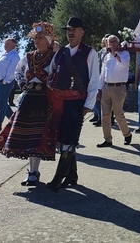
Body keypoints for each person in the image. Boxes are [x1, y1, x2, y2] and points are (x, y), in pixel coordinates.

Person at [0, 22, 59, 187]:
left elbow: (59, 74)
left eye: (41, 37)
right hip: (29, 98)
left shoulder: (56, 57)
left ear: (49, 40)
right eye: (36, 37)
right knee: (27, 136)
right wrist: (23, 84)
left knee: (38, 136)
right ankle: (32, 172)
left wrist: (49, 82)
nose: (37, 40)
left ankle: (37, 172)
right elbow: (18, 71)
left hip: (45, 99)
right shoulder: (28, 57)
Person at [46, 17, 100, 191]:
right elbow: (51, 73)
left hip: (77, 103)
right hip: (60, 103)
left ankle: (59, 176)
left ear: (82, 32)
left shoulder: (90, 53)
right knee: (64, 138)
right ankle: (72, 175)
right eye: (68, 29)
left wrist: (88, 105)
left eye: (74, 29)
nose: (70, 32)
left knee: (69, 139)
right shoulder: (60, 52)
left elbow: (94, 81)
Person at [96, 34, 133, 147]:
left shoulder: (124, 54)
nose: (112, 44)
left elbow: (124, 64)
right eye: (109, 42)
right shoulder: (106, 56)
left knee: (118, 114)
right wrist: (99, 88)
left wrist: (115, 54)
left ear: (118, 42)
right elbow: (103, 73)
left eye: (114, 42)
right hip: (106, 87)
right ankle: (107, 139)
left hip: (119, 87)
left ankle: (127, 134)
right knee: (105, 115)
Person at [0, 38, 20, 132]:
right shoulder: (5, 55)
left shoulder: (14, 56)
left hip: (4, 83)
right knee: (0, 103)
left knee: (2, 104)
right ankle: (15, 120)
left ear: (13, 45)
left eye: (7, 43)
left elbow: (12, 71)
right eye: (5, 43)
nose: (5, 45)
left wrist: (5, 81)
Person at [90, 34, 111, 127]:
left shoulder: (112, 52)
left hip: (108, 79)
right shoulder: (101, 52)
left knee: (107, 101)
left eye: (105, 42)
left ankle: (109, 118)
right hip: (99, 77)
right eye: (103, 42)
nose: (104, 43)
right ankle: (99, 116)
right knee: (97, 98)